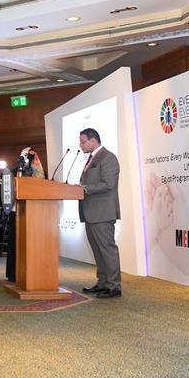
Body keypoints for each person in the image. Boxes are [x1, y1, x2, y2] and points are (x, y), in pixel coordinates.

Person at [77, 128, 122, 299]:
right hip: (90, 212)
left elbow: (108, 184)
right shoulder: (92, 158)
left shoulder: (108, 157)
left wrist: (85, 188)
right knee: (97, 250)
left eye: (83, 142)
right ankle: (102, 283)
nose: (80, 145)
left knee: (107, 250)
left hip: (103, 212)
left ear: (93, 140)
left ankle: (114, 286)